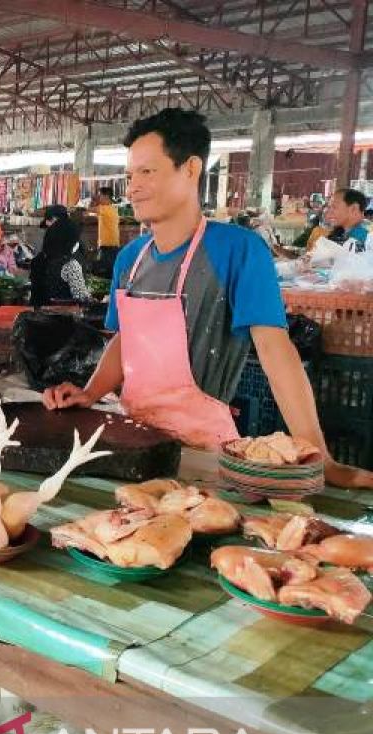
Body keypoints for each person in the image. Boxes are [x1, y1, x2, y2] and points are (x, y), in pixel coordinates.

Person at [42, 108, 373, 488]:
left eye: (148, 172)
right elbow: (125, 340)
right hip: (132, 443)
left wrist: (320, 457)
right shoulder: (131, 260)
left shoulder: (237, 250)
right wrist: (90, 393)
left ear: (191, 169)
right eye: (130, 175)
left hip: (201, 457)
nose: (132, 187)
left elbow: (276, 353)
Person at [27, 205, 87, 307]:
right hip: (62, 319)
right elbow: (82, 297)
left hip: (38, 318)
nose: (47, 224)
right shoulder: (70, 264)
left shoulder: (38, 260)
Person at [94, 187, 121, 277]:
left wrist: (94, 200)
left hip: (108, 247)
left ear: (106, 196)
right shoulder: (111, 208)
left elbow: (89, 209)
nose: (98, 197)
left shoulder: (106, 209)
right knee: (109, 273)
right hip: (111, 246)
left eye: (100, 195)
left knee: (104, 273)